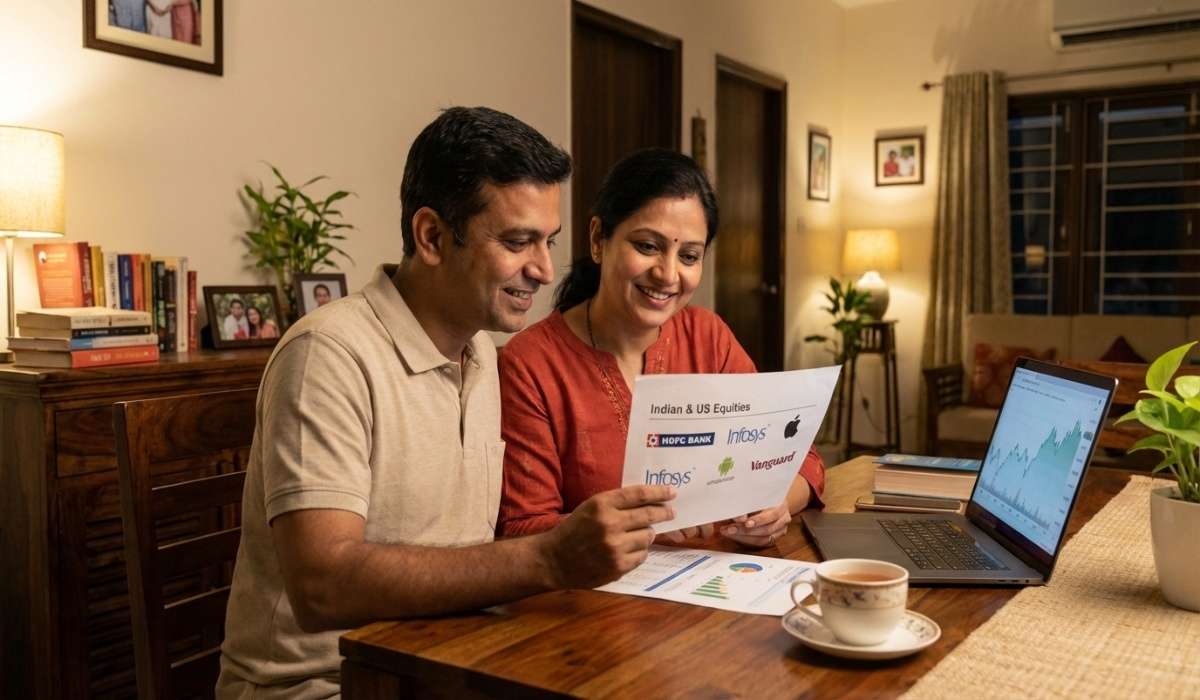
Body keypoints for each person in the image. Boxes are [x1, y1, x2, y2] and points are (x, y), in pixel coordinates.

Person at [217, 107, 678, 699]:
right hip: (325, 688)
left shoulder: (483, 355)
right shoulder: (328, 353)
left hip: (447, 668)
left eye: (548, 242)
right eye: (517, 242)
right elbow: (322, 586)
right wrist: (548, 559)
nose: (542, 269)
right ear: (431, 236)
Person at [496, 148, 825, 546]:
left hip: (722, 583)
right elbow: (521, 528)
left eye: (688, 255)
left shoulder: (709, 338)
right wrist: (632, 529)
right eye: (648, 247)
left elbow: (801, 458)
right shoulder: (530, 365)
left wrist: (778, 506)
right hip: (597, 600)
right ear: (599, 239)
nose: (668, 274)